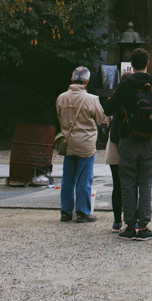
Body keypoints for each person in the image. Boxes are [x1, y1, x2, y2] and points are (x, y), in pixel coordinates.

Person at [103, 47, 152, 241]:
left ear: (131, 65)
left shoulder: (125, 85)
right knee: (145, 184)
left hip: (128, 138)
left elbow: (109, 109)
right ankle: (144, 225)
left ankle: (130, 226)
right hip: (149, 139)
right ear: (147, 63)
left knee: (128, 183)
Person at [56, 66, 107, 223]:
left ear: (72, 80)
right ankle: (83, 211)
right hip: (85, 143)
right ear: (87, 81)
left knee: (68, 178)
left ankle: (65, 211)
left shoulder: (61, 98)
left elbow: (59, 117)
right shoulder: (92, 99)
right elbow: (101, 120)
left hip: (68, 141)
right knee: (84, 179)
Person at [104, 70, 132, 232]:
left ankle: (116, 221)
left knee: (117, 183)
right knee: (131, 183)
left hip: (114, 143)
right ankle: (131, 219)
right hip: (130, 142)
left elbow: (107, 119)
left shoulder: (113, 100)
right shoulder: (134, 99)